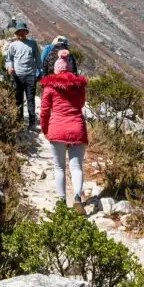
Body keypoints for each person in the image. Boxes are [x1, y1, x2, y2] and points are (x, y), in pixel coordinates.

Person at [39, 49, 88, 212]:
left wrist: (46, 129)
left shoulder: (49, 87)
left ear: (56, 70)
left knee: (59, 167)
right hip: (77, 128)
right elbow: (81, 104)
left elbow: (45, 111)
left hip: (57, 129)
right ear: (70, 69)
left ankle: (61, 201)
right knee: (76, 167)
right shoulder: (79, 86)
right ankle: (77, 198)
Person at [4, 20, 42, 128]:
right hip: (17, 76)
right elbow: (8, 59)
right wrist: (9, 67)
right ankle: (19, 121)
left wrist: (40, 72)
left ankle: (32, 122)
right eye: (19, 31)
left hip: (30, 75)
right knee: (18, 99)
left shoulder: (33, 44)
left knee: (30, 99)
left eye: (23, 31)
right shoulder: (12, 45)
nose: (21, 33)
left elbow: (38, 59)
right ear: (16, 33)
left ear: (26, 32)